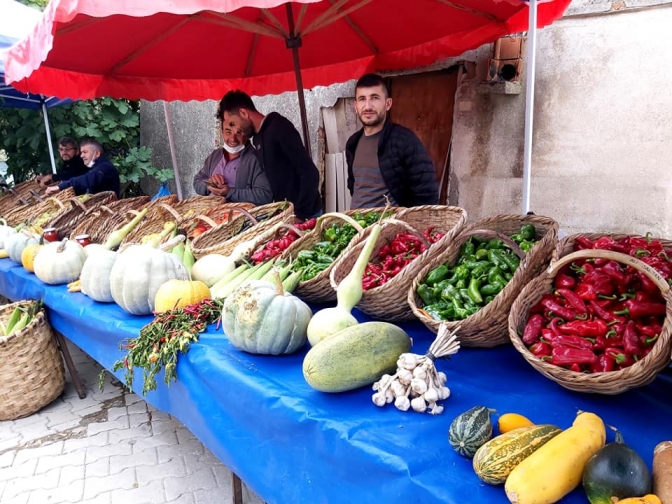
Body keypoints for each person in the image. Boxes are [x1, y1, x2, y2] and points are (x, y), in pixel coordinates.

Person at [219, 91, 322, 220]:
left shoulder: (279, 127)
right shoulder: (256, 139)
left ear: (244, 113)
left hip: (307, 214)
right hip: (286, 213)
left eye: (233, 123)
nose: (235, 131)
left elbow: (310, 173)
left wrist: (300, 213)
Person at [345, 73, 439, 208]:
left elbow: (427, 193)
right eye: (362, 99)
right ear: (355, 106)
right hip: (357, 225)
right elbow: (353, 187)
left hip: (390, 226)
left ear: (388, 104)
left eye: (375, 98)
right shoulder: (352, 143)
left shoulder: (405, 141)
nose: (368, 106)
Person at [193, 104, 273, 205]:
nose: (233, 138)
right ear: (222, 132)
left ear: (247, 134)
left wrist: (230, 192)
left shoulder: (256, 159)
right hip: (212, 215)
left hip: (239, 217)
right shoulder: (215, 156)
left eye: (239, 132)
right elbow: (197, 181)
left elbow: (265, 195)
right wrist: (209, 184)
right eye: (228, 132)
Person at [45, 139, 120, 197]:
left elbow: (87, 179)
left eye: (85, 152)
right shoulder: (96, 166)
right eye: (81, 153)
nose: (81, 156)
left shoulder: (105, 167)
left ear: (97, 153)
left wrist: (60, 187)